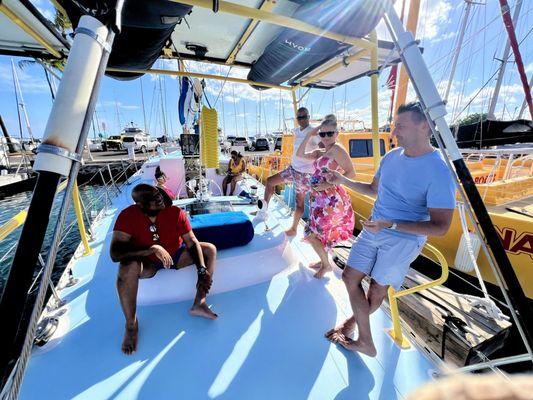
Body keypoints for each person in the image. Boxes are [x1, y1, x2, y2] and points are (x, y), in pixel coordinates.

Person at [324, 102, 456, 357]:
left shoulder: (439, 170)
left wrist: (392, 224)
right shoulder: (391, 157)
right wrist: (342, 180)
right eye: (395, 126)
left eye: (401, 126)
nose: (395, 132)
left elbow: (441, 227)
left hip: (403, 239)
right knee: (350, 277)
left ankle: (357, 331)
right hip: (375, 228)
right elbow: (373, 190)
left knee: (376, 290)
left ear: (425, 126)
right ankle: (364, 338)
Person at [110, 184, 218, 355]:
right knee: (126, 266)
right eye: (153, 198)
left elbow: (191, 242)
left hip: (176, 255)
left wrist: (202, 270)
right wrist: (152, 249)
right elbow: (115, 253)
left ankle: (200, 302)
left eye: (158, 193)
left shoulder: (175, 212)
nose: (159, 198)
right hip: (148, 262)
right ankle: (131, 325)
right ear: (140, 204)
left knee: (209, 249)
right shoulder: (128, 216)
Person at [296, 114, 356, 278]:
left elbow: (352, 173)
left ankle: (326, 265)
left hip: (331, 200)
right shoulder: (322, 151)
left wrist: (328, 185)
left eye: (330, 133)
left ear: (337, 133)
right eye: (323, 134)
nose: (326, 137)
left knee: (313, 234)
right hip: (318, 199)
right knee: (318, 233)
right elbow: (300, 154)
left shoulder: (337, 150)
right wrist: (310, 133)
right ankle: (323, 260)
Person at [255, 107, 320, 236]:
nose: (301, 120)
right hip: (292, 169)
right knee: (270, 181)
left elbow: (324, 147)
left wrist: (318, 157)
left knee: (299, 202)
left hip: (304, 174)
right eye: (299, 117)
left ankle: (294, 229)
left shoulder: (313, 133)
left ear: (308, 117)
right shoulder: (297, 131)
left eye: (304, 117)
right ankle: (264, 212)